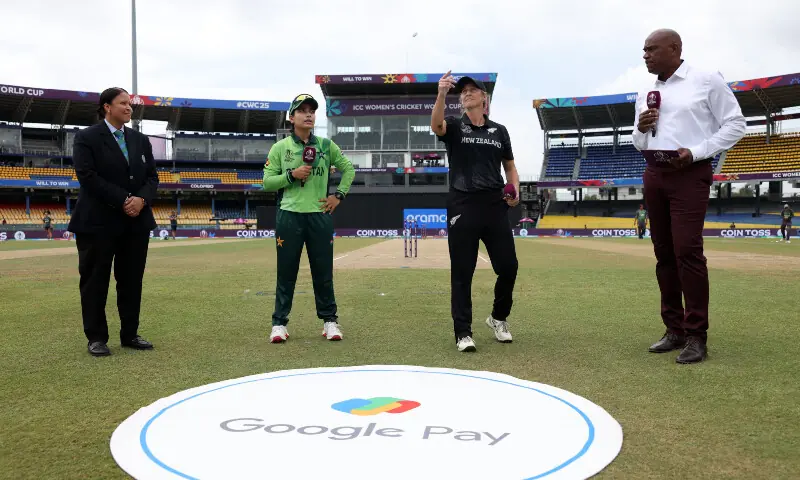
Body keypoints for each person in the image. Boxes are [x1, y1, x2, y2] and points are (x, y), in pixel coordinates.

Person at [633, 29, 746, 364]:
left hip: (689, 172)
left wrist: (696, 152)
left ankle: (697, 335)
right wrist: (641, 128)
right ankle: (674, 330)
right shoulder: (646, 91)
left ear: (674, 48)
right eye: (644, 50)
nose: (645, 55)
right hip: (655, 173)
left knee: (688, 252)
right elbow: (638, 143)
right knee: (664, 255)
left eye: (651, 49)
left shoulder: (706, 80)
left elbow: (736, 124)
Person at [431, 71, 520, 353]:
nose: (466, 93)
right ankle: (463, 332)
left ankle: (498, 318)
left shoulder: (499, 131)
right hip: (463, 204)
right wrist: (441, 93)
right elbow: (436, 126)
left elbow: (510, 167)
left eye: (472, 90)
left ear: (484, 98)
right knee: (462, 271)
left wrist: (515, 190)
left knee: (508, 267)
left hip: (495, 205)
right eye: (463, 91)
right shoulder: (455, 125)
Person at [68, 87, 159, 357]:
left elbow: (152, 177)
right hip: (98, 222)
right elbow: (87, 176)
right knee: (95, 281)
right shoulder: (86, 137)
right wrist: (124, 200)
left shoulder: (140, 140)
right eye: (123, 103)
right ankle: (96, 337)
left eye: (130, 104)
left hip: (136, 223)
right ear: (107, 107)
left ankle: (130, 334)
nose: (129, 108)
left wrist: (141, 200)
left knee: (131, 281)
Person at [262, 94, 355, 344]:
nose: (308, 115)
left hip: (319, 216)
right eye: (302, 111)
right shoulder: (280, 148)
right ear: (291, 117)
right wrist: (291, 175)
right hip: (289, 216)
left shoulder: (326, 145)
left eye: (312, 111)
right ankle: (279, 324)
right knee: (286, 273)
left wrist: (338, 195)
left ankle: (330, 321)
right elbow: (267, 182)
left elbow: (349, 169)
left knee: (323, 272)